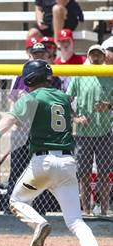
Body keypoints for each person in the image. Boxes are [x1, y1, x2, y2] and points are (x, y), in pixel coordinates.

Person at [0, 60, 104, 246]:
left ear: (30, 78)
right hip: (68, 162)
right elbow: (69, 115)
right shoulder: (63, 98)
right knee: (74, 219)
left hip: (43, 161)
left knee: (16, 200)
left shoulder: (31, 97)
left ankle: (38, 224)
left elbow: (10, 119)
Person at [5, 43, 62, 215]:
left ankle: (40, 207)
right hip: (22, 130)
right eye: (34, 53)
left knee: (41, 171)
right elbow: (11, 99)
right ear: (29, 54)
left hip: (41, 130)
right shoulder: (21, 75)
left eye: (41, 54)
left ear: (46, 55)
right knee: (17, 169)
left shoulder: (51, 77)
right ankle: (11, 207)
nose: (37, 56)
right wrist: (15, 116)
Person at [67, 44, 112, 216]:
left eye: (98, 54)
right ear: (88, 56)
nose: (95, 57)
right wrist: (75, 118)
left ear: (103, 56)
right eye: (92, 54)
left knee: (105, 175)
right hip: (83, 133)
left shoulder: (110, 73)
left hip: (105, 132)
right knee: (84, 175)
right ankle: (86, 211)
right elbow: (66, 99)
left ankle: (104, 211)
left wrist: (108, 106)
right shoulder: (80, 73)